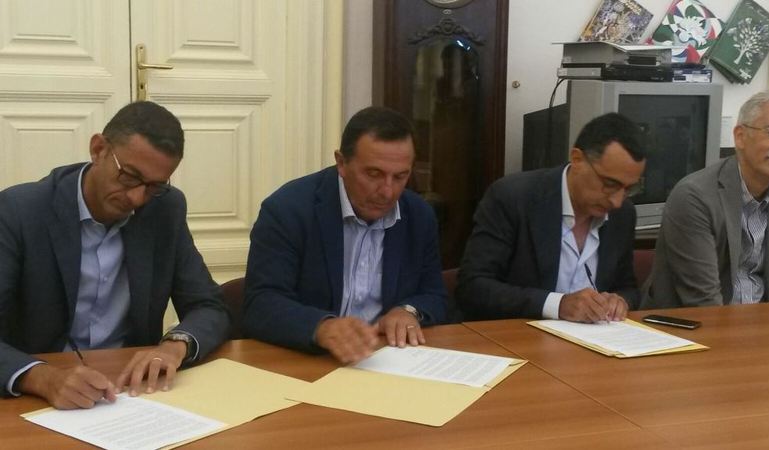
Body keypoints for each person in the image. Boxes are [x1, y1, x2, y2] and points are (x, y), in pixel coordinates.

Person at [0, 101, 230, 409]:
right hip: (37, 397)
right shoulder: (19, 212)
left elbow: (209, 306)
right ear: (98, 150)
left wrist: (175, 346)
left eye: (154, 186)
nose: (137, 198)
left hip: (129, 393)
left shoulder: (164, 209)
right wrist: (41, 377)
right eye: (129, 177)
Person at [243, 106, 448, 364]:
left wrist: (408, 311)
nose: (388, 191)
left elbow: (435, 294)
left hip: (388, 360)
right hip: (311, 361)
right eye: (374, 174)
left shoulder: (418, 216)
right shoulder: (288, 210)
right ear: (341, 162)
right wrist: (322, 327)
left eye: (400, 177)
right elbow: (260, 304)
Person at [457, 112, 646, 322]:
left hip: (596, 338)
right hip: (520, 335)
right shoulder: (513, 198)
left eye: (629, 189)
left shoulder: (623, 214)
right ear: (577, 159)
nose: (617, 201)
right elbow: (472, 287)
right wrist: (558, 305)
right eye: (610, 184)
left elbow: (627, 287)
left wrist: (620, 301)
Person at [641, 90, 769, 308]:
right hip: (695, 324)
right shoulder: (695, 196)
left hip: (765, 325)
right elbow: (703, 301)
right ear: (740, 136)